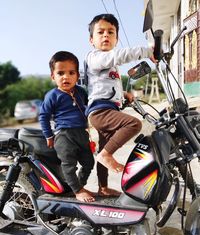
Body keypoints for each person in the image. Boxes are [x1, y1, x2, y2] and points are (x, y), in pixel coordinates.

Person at [85, 13, 156, 197]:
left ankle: (103, 187)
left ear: (117, 38)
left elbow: (105, 88)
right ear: (91, 40)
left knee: (104, 147)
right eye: (100, 32)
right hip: (100, 112)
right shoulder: (95, 57)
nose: (106, 35)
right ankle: (106, 156)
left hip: (106, 109)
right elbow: (118, 56)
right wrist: (148, 51)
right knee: (133, 124)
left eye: (111, 32)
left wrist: (123, 96)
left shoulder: (109, 65)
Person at [39, 51, 95, 202]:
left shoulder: (81, 92)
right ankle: (77, 190)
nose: (66, 77)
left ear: (77, 75)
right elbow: (43, 116)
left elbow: (92, 104)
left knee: (89, 162)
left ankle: (79, 186)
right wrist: (49, 135)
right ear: (53, 76)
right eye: (60, 73)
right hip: (64, 135)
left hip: (82, 134)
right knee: (69, 165)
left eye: (71, 73)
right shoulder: (52, 95)